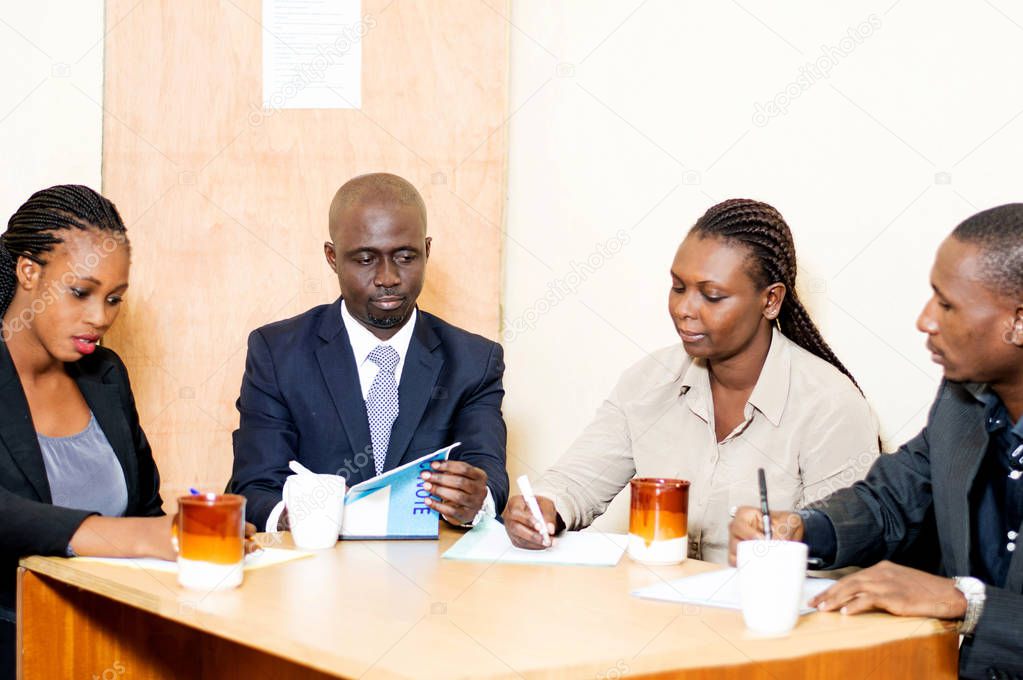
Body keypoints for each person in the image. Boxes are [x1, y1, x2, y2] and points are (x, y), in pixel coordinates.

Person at [729, 204, 1023, 680]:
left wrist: (963, 601)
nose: (925, 320)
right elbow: (891, 500)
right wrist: (803, 529)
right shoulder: (961, 402)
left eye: (947, 305)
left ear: (1019, 321)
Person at [503, 198, 879, 563]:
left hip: (774, 617)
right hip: (662, 613)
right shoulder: (649, 381)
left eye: (712, 296)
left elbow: (843, 544)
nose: (684, 309)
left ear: (770, 301)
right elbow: (576, 480)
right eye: (678, 287)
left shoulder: (830, 405)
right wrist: (542, 507)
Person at [230, 173, 509, 531]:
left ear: (426, 250)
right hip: (315, 573)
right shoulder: (278, 353)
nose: (387, 277)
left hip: (431, 576)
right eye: (365, 259)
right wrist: (298, 516)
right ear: (332, 257)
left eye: (405, 257)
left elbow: (490, 477)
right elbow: (254, 486)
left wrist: (475, 500)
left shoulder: (474, 362)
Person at [0, 185, 174, 678]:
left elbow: (146, 510)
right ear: (29, 272)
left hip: (116, 645)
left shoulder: (106, 375)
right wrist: (128, 537)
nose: (101, 318)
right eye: (81, 292)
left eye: (114, 298)